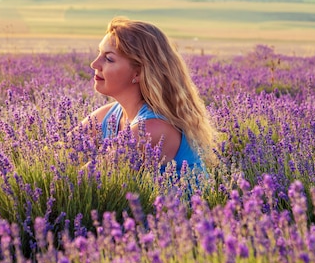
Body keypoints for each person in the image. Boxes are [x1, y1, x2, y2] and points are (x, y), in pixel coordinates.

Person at [82, 16, 216, 173]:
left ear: (138, 73)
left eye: (109, 59)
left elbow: (84, 178)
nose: (94, 64)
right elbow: (56, 151)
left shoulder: (153, 129)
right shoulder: (109, 115)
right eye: (99, 53)